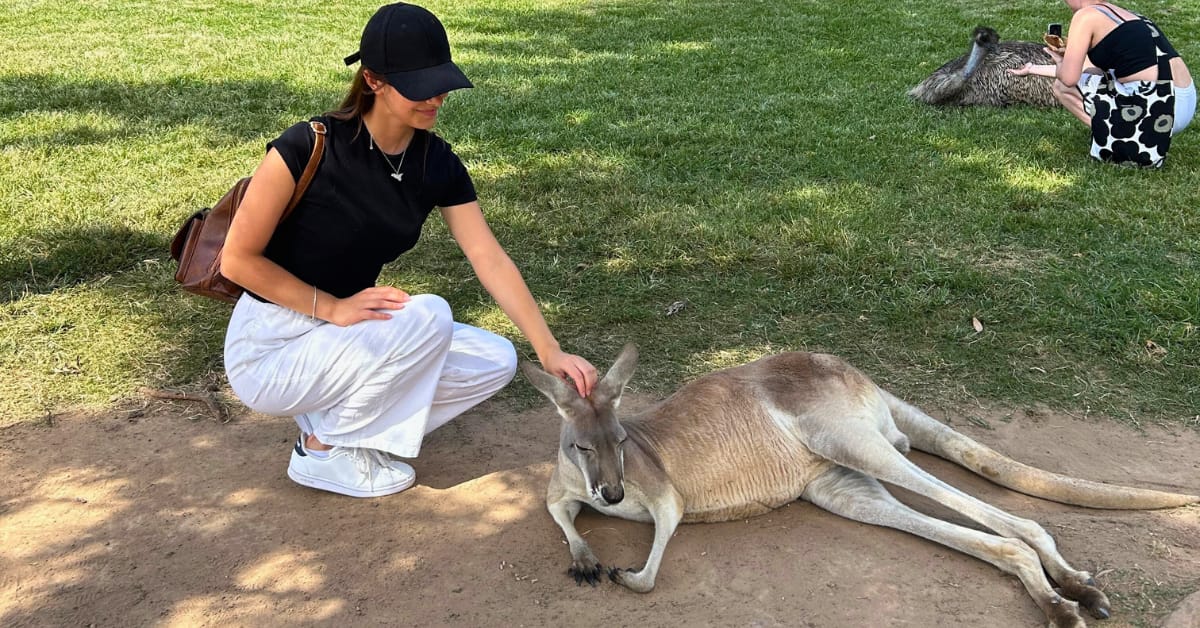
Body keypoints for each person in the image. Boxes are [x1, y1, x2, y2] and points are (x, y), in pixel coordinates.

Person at [220, 2, 598, 498]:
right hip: (272, 345)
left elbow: (487, 256)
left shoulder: (434, 162)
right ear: (373, 81)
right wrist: (330, 307)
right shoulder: (307, 146)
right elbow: (237, 260)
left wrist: (548, 350)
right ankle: (323, 452)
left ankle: (337, 427)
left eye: (441, 83)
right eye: (420, 86)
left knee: (494, 359)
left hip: (345, 337)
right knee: (429, 316)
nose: (436, 98)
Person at [1009, 1, 1194, 135]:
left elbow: (1070, 79)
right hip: (1182, 101)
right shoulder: (1122, 14)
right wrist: (1032, 68)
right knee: (1089, 66)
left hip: (1160, 110)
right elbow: (1090, 72)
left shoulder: (1085, 16)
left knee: (1062, 87)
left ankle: (1116, 139)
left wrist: (1060, 63)